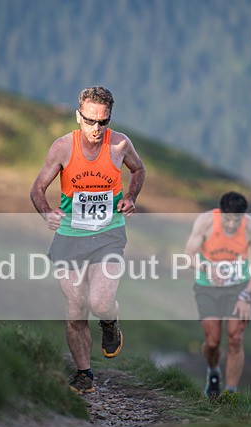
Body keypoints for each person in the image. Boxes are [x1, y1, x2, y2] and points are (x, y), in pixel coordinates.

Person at [30, 86, 146, 395]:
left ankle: (110, 322)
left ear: (109, 119)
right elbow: (37, 190)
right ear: (78, 116)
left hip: (108, 235)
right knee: (76, 307)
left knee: (100, 301)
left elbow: (138, 170)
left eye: (103, 122)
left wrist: (131, 197)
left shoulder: (120, 144)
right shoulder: (62, 148)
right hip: (69, 237)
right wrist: (46, 213)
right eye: (90, 120)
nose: (96, 129)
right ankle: (84, 374)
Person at [182, 191, 251, 397]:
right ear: (220, 213)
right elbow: (188, 256)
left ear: (243, 217)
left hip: (238, 288)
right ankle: (213, 371)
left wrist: (248, 296)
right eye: (227, 220)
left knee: (235, 338)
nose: (231, 225)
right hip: (207, 287)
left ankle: (230, 393)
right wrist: (206, 268)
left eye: (236, 221)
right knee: (212, 342)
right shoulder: (205, 222)